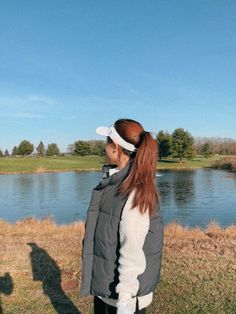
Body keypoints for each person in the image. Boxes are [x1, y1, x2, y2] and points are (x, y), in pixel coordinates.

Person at [79, 118, 164, 314]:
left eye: (106, 142)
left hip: (123, 300)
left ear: (115, 148)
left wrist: (125, 303)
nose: (104, 148)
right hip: (107, 292)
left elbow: (132, 250)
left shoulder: (135, 192)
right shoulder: (115, 183)